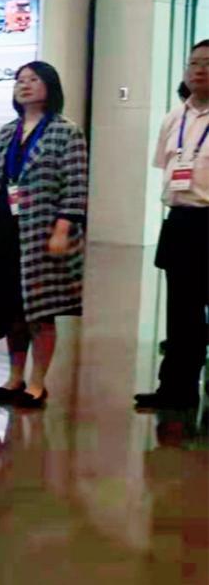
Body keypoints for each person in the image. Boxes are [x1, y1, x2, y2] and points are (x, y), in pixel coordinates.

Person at [0, 61, 87, 409]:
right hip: (5, 231)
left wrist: (63, 229)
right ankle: (14, 377)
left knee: (40, 311)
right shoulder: (7, 132)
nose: (24, 85)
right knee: (11, 309)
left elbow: (76, 186)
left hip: (42, 233)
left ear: (49, 86)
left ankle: (38, 382)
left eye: (33, 79)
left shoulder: (66, 132)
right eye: (19, 80)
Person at [135, 40, 209, 411]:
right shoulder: (174, 117)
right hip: (180, 220)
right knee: (181, 311)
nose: (199, 69)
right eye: (193, 63)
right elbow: (166, 167)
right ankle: (176, 388)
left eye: (207, 63)